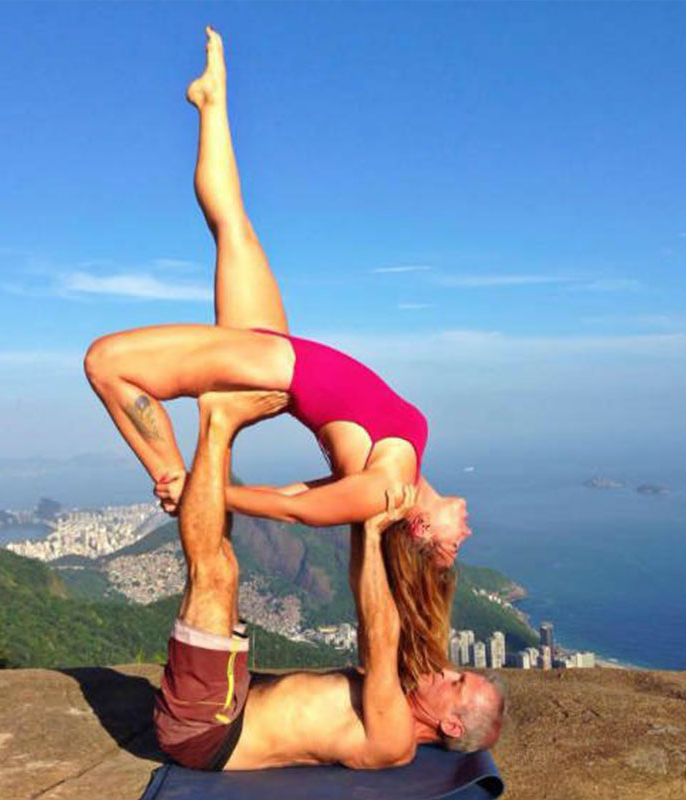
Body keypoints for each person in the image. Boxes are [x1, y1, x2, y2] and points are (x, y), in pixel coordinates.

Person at [83, 27, 471, 570]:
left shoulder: (386, 491)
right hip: (279, 350)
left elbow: (297, 507)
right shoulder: (412, 466)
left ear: (424, 528)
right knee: (233, 225)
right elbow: (298, 491)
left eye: (455, 542)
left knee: (105, 362)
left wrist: (205, 488)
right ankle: (211, 102)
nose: (468, 526)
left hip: (277, 368)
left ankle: (174, 481)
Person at [152, 388, 504, 771]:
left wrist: (372, 533)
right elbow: (364, 595)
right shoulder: (391, 701)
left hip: (207, 728)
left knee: (215, 574)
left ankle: (217, 421)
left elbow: (381, 633)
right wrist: (364, 511)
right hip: (229, 697)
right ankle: (210, 460)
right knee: (224, 562)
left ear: (450, 725)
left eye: (456, 684)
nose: (445, 671)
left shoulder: (395, 739)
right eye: (459, 673)